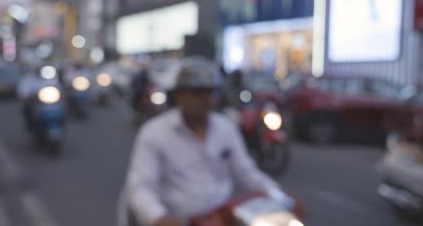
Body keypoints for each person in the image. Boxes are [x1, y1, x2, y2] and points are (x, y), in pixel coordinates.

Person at [118, 57, 293, 226]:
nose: (205, 99)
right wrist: (158, 218)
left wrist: (281, 197)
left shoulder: (226, 128)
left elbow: (246, 172)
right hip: (176, 220)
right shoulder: (154, 133)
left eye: (210, 92)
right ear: (179, 95)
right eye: (197, 92)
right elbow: (141, 187)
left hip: (221, 218)